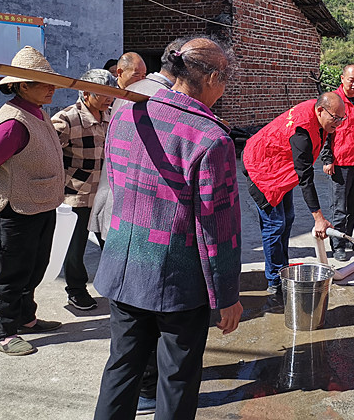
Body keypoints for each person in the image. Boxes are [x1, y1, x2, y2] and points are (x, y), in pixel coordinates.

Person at [93, 37, 242, 419]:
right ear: (211, 78)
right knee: (175, 380)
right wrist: (227, 294)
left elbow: (115, 180)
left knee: (121, 368)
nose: (224, 89)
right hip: (177, 281)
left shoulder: (126, 112)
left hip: (125, 267)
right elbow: (217, 229)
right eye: (225, 80)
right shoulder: (211, 138)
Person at [89, 38, 189, 415]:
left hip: (117, 218)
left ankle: (134, 391)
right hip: (141, 222)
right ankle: (148, 389)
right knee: (145, 317)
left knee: (125, 339)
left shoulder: (131, 96)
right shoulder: (160, 102)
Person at [0, 46, 65, 356]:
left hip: (38, 207)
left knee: (33, 269)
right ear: (23, 86)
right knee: (11, 274)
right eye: (43, 83)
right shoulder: (12, 124)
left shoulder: (38, 113)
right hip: (13, 212)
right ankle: (4, 332)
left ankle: (25, 318)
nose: (52, 88)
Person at [242, 93, 343, 294]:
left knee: (288, 217)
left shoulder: (318, 114)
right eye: (336, 118)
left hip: (281, 167)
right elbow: (305, 178)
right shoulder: (302, 133)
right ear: (321, 110)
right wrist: (319, 218)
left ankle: (282, 269)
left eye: (342, 118)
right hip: (263, 169)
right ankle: (274, 281)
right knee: (275, 223)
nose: (339, 123)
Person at [51, 69, 116, 311]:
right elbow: (48, 152)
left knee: (111, 244)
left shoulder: (111, 116)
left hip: (107, 194)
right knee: (75, 247)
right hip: (76, 195)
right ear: (86, 93)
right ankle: (76, 291)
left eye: (111, 94)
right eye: (103, 94)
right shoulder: (67, 119)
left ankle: (114, 286)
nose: (108, 99)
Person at [320, 64, 354, 261]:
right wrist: (327, 159)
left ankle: (348, 237)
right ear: (342, 78)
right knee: (339, 208)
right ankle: (337, 245)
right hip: (340, 163)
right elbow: (325, 132)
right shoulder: (334, 101)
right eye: (351, 79)